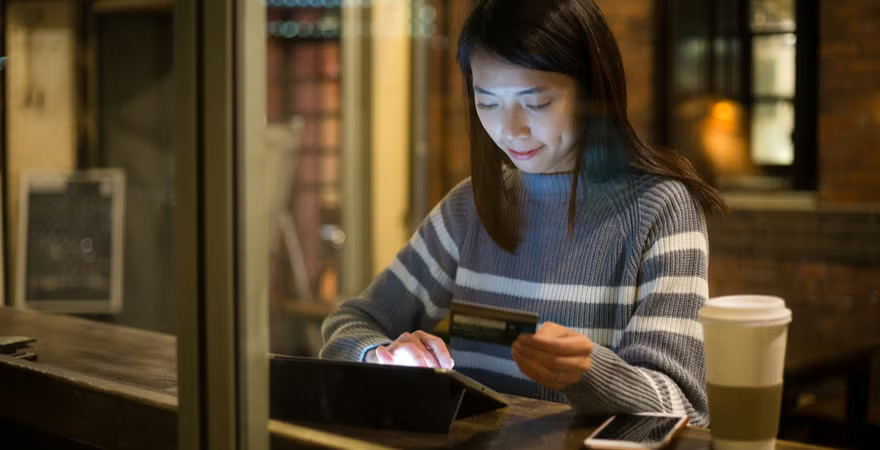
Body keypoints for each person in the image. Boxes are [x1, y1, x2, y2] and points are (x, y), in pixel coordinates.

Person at [320, 0, 725, 427]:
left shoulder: (661, 209)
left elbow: (684, 407)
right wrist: (381, 356)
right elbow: (350, 323)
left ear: (592, 90)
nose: (510, 129)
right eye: (487, 102)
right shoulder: (471, 208)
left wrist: (590, 372)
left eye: (536, 102)